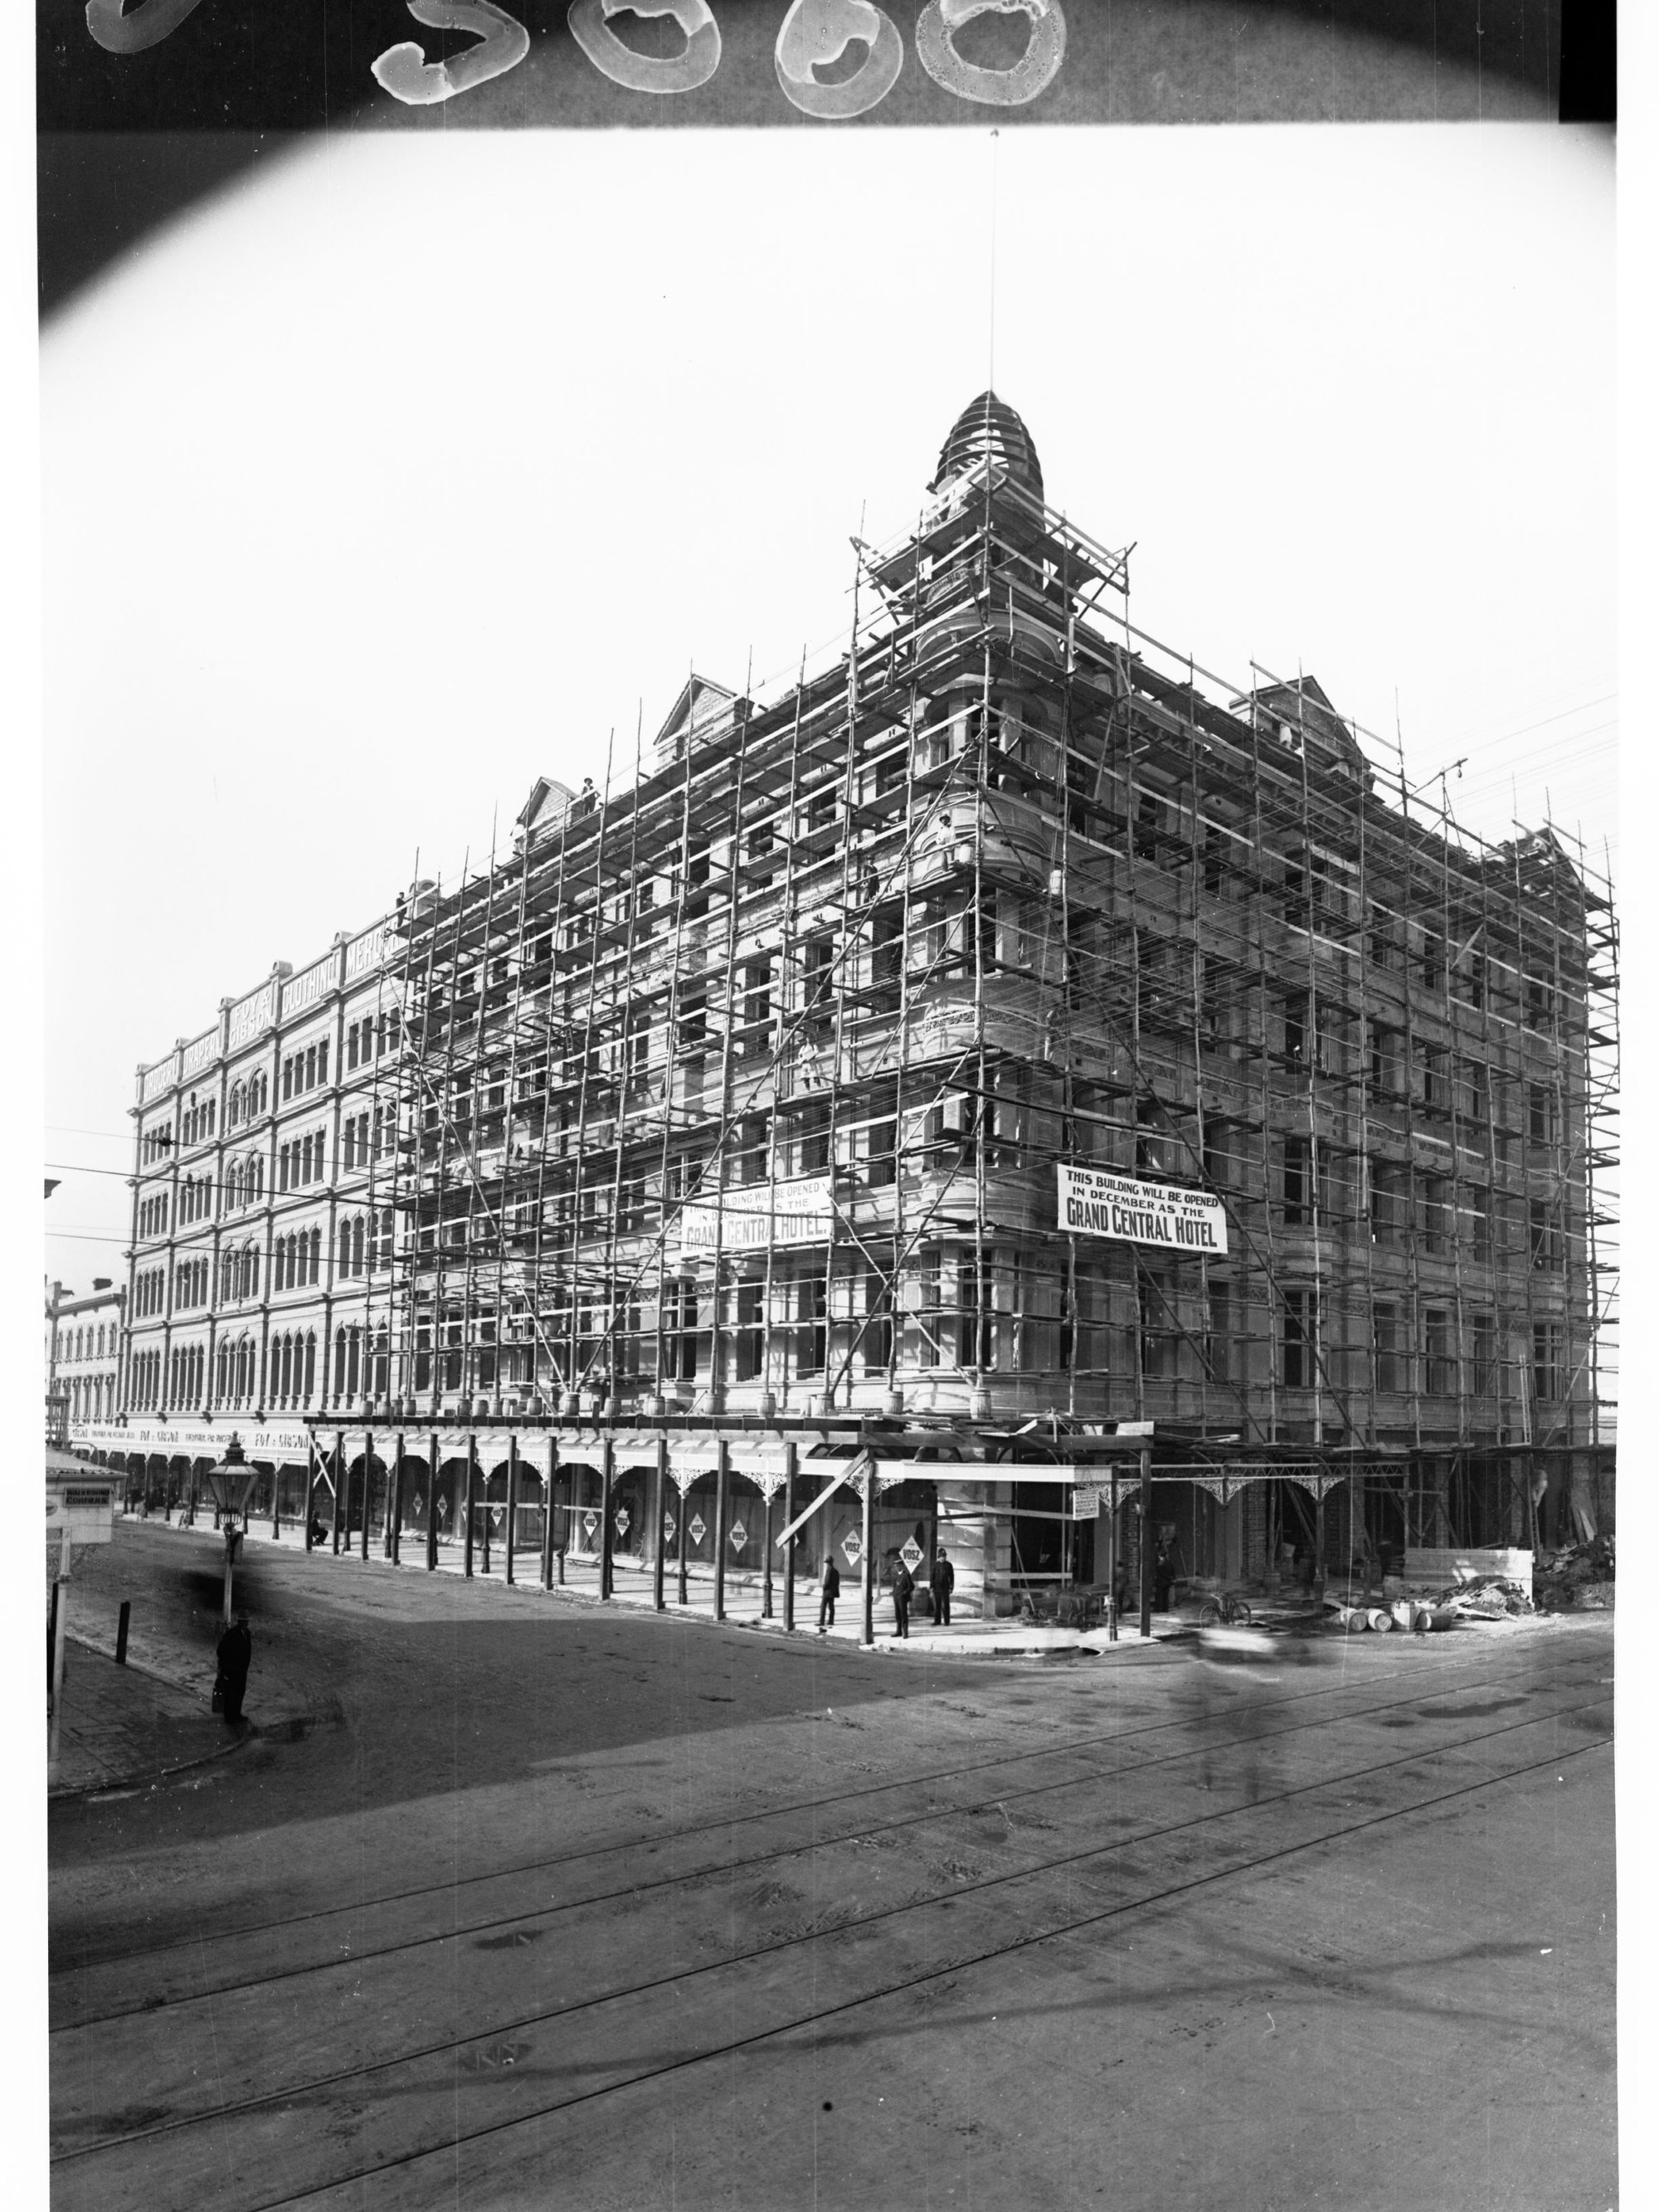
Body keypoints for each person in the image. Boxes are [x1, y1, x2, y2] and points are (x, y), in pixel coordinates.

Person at [215, 1610, 252, 1728]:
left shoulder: (247, 1633)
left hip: (242, 1670)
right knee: (230, 1693)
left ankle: (237, 1714)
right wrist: (228, 1666)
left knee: (240, 1692)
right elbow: (221, 1651)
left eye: (247, 1622)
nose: (246, 1624)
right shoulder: (231, 1634)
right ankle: (229, 1717)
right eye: (244, 1621)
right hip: (232, 1670)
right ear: (239, 1622)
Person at [929, 1546, 955, 1628]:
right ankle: (937, 1621)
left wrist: (951, 1588)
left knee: (946, 1605)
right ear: (938, 1557)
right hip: (937, 1588)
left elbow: (952, 1577)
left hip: (945, 1588)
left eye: (944, 1557)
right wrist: (931, 1586)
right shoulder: (936, 1565)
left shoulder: (949, 1565)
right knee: (937, 1605)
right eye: (941, 1557)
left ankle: (947, 1621)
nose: (943, 1558)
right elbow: (932, 1576)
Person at [890, 1552, 914, 1640]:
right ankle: (898, 1631)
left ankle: (905, 1633)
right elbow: (895, 1586)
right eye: (896, 1566)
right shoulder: (897, 1575)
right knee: (897, 1615)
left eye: (898, 1566)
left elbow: (911, 1587)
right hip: (896, 1598)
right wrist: (893, 1593)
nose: (897, 1568)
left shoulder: (906, 1575)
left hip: (902, 1598)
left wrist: (904, 1594)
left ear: (902, 1566)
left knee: (904, 1615)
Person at [816, 1554, 841, 1633]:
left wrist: (824, 1587)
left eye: (827, 1563)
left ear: (828, 1563)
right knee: (831, 1606)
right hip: (833, 1592)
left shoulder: (829, 1570)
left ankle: (822, 1621)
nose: (826, 1564)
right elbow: (837, 1582)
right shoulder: (836, 1571)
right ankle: (831, 1621)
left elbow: (827, 1581)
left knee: (823, 1606)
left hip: (827, 1591)